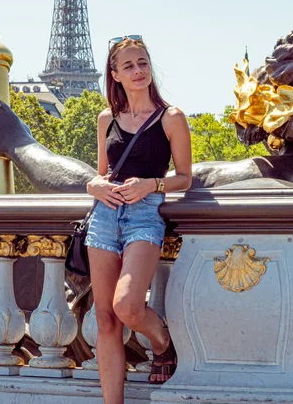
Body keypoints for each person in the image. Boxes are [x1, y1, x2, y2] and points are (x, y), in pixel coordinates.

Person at [84, 36, 191, 402]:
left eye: (143, 62)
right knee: (105, 320)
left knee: (127, 306)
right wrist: (93, 186)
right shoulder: (106, 119)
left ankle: (162, 342)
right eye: (128, 65)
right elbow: (102, 173)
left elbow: (185, 177)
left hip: (145, 217)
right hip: (105, 216)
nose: (138, 70)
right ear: (114, 74)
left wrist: (152, 184)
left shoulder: (171, 117)